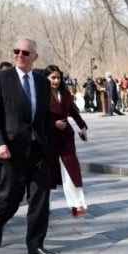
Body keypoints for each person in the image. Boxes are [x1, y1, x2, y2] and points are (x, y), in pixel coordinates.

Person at [0, 38, 57, 254]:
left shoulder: (41, 81)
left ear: (35, 56)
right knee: (10, 199)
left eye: (26, 52)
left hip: (38, 151)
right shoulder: (0, 79)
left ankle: (35, 243)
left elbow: (44, 118)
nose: (20, 55)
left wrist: (49, 146)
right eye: (17, 51)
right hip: (11, 151)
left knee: (40, 199)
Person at [44, 65, 88, 217]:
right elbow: (36, 117)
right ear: (46, 79)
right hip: (49, 138)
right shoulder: (40, 94)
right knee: (48, 173)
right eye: (52, 78)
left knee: (71, 169)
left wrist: (82, 127)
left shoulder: (65, 93)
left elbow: (74, 112)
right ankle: (44, 205)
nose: (56, 81)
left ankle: (77, 205)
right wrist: (52, 124)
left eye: (58, 77)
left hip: (66, 137)